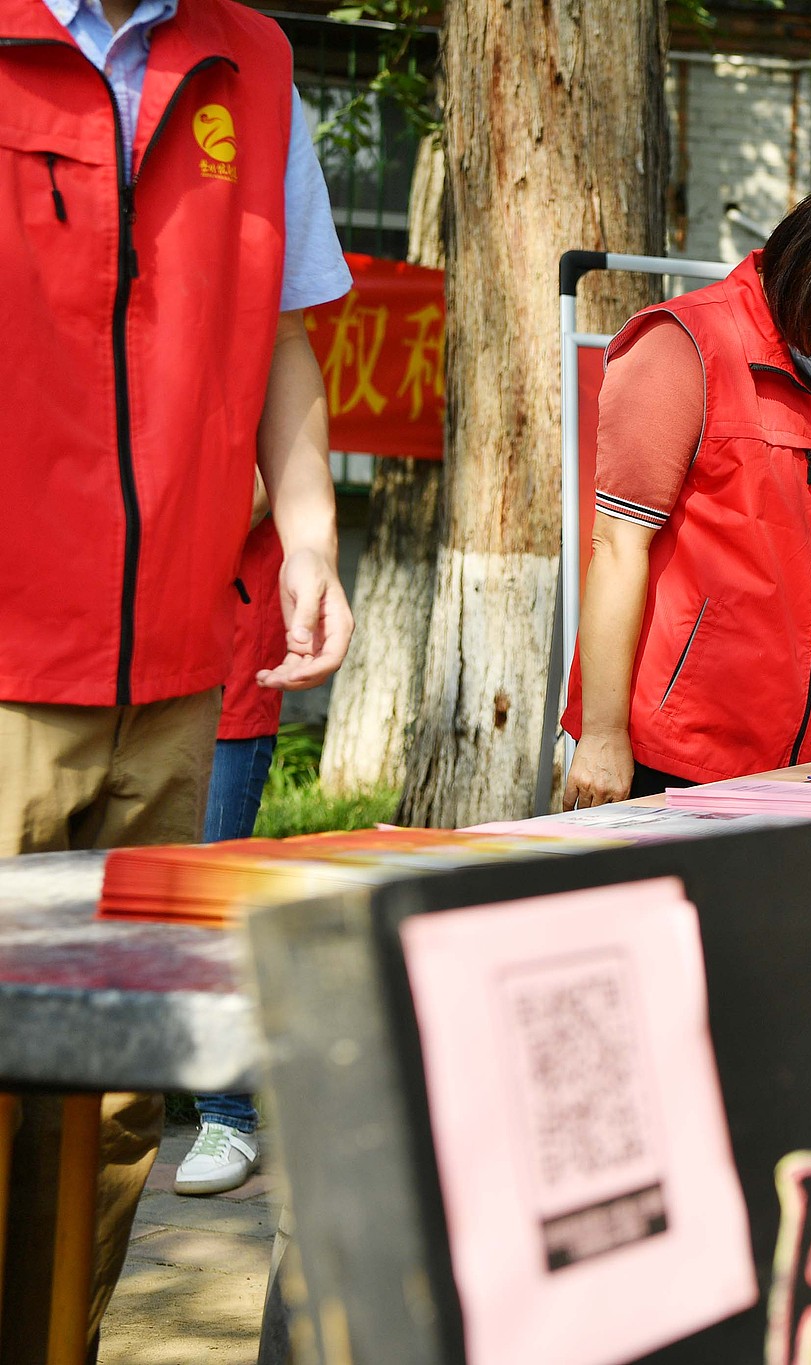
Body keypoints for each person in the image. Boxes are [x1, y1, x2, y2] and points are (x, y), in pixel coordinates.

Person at [0, 0, 354, 1344]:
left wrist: (309, 538)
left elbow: (281, 332)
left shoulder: (252, 62)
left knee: (113, 1096)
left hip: (172, 670)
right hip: (8, 659)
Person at [561, 176, 811, 803]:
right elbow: (617, 546)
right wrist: (604, 737)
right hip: (670, 750)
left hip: (798, 758)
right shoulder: (684, 345)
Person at [176, 516, 287, 1196]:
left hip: (226, 645)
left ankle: (227, 1113)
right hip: (105, 656)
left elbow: (246, 489)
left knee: (209, 899)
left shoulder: (234, 402)